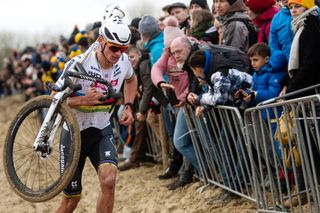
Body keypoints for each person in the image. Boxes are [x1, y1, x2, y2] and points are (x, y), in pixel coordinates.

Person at [55, 16, 137, 213]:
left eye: (123, 48)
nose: (119, 53)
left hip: (101, 130)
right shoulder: (78, 63)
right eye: (114, 48)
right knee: (71, 200)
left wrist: (128, 106)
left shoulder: (124, 62)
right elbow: (53, 100)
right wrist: (83, 100)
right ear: (101, 42)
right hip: (74, 135)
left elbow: (131, 80)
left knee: (109, 180)